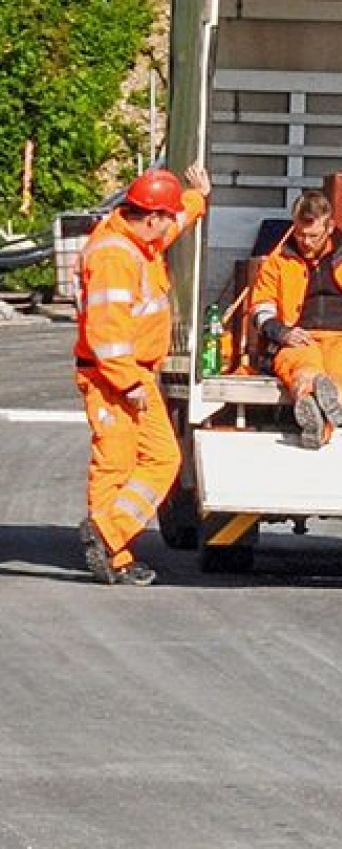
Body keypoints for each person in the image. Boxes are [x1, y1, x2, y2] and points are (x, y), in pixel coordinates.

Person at [74, 163, 212, 585]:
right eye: (165, 218)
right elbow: (105, 334)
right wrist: (129, 383)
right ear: (150, 217)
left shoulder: (140, 240)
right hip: (115, 377)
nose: (169, 227)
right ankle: (111, 544)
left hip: (132, 375)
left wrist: (197, 199)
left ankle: (110, 542)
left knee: (154, 459)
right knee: (118, 464)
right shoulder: (114, 256)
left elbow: (176, 223)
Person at [250, 189, 342, 448]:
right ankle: (316, 406)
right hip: (298, 336)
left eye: (313, 236)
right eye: (300, 234)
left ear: (330, 227)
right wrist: (282, 332)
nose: (306, 241)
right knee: (303, 367)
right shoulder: (277, 262)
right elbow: (260, 308)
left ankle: (318, 414)